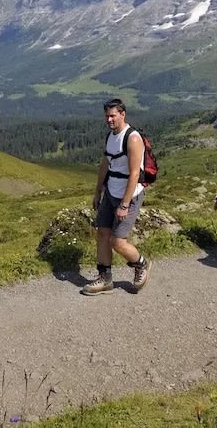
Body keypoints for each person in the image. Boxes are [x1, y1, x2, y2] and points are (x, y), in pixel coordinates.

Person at [81, 98, 153, 296]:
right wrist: (98, 191)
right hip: (111, 192)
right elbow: (105, 164)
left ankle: (141, 264)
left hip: (129, 195)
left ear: (123, 114)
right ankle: (105, 278)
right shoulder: (111, 136)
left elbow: (135, 174)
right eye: (107, 116)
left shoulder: (132, 138)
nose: (109, 120)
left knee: (118, 242)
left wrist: (124, 204)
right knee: (102, 234)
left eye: (113, 116)